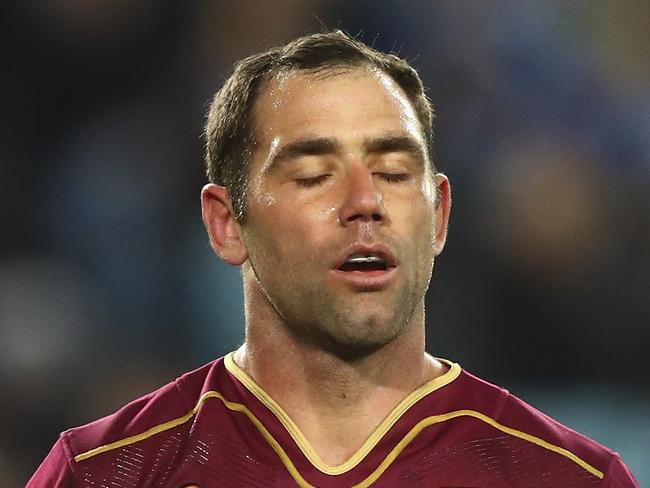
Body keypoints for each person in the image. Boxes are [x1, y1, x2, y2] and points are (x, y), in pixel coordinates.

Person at [28, 30, 638, 488]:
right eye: (316, 175)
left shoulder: (568, 477)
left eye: (396, 173)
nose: (365, 202)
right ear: (226, 223)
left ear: (441, 217)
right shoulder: (105, 473)